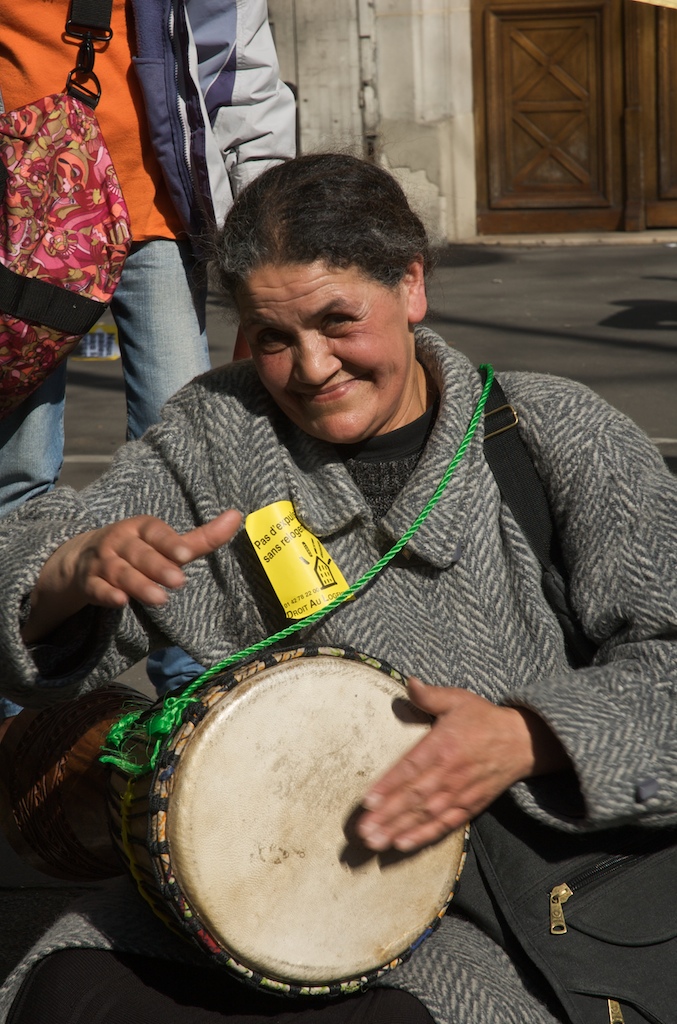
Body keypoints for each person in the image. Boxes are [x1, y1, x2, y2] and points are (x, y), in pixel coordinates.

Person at [0, 153, 676, 1024]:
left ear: (412, 286)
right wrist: (67, 575)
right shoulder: (217, 432)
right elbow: (34, 577)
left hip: (518, 889)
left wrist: (528, 736)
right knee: (67, 998)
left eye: (338, 321)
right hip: (255, 873)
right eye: (272, 336)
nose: (311, 367)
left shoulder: (554, 434)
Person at [0, 0, 296, 711]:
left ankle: (191, 688)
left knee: (189, 459)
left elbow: (243, 77)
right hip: (22, 226)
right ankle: (23, 705)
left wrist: (269, 247)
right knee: (20, 471)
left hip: (155, 218)